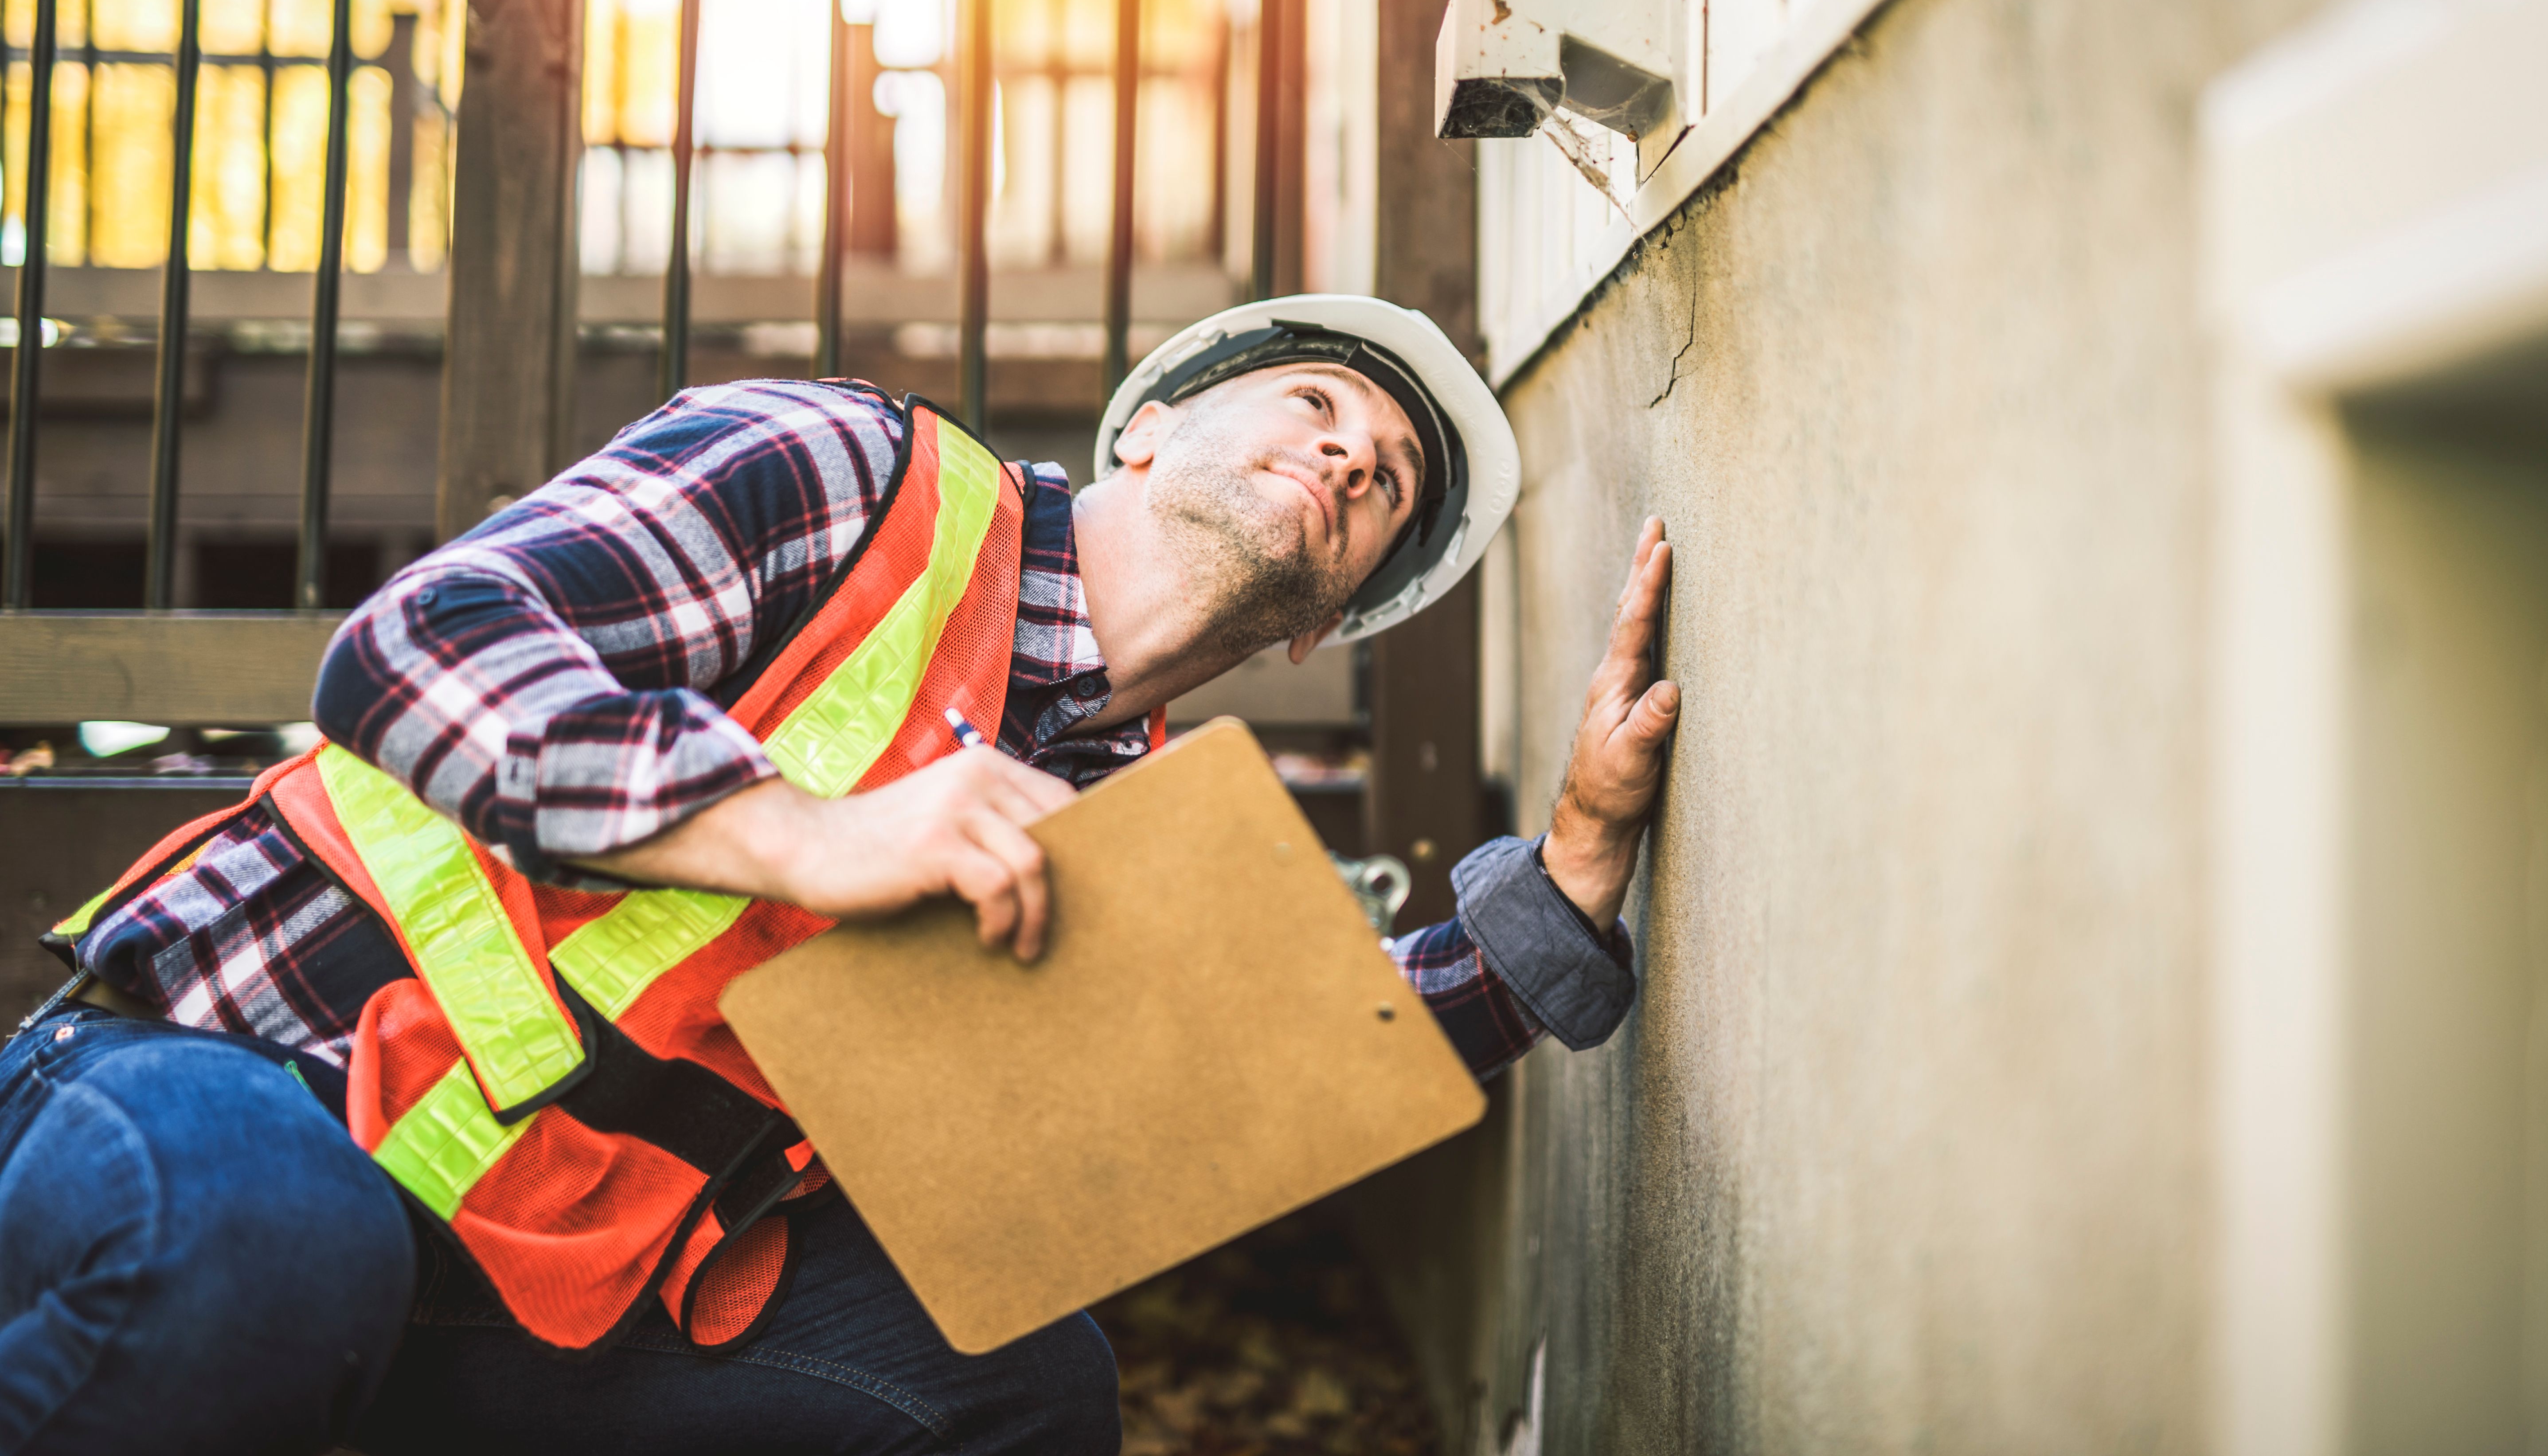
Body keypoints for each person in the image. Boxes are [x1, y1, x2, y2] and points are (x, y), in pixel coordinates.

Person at [0, 295, 1678, 1456]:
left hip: (535, 1288)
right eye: (1317, 404)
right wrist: (807, 832)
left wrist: (1583, 858)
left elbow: (1316, 1048)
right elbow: (413, 654)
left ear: (1322, 626)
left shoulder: (1138, 832)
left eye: (1381, 484)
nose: (1348, 458)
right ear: (1149, 431)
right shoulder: (842, 470)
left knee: (1017, 1395)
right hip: (225, 1074)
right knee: (277, 1244)